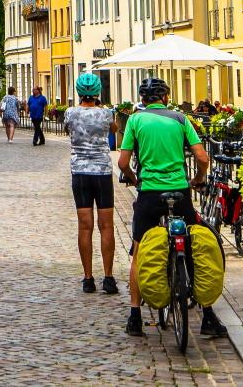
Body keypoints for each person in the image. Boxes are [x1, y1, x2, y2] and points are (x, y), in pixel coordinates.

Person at [118, 77, 224, 339]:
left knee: (139, 250)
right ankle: (208, 314)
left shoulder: (135, 120)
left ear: (143, 100)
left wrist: (133, 178)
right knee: (196, 243)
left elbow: (122, 162)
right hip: (180, 190)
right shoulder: (180, 119)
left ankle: (134, 317)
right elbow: (202, 157)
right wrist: (198, 178)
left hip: (150, 193)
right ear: (165, 97)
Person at [64, 73, 119, 295]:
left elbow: (69, 129)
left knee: (84, 226)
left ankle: (88, 278)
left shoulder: (71, 113)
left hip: (80, 173)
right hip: (102, 173)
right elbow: (114, 130)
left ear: (78, 92)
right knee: (106, 226)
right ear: (97, 92)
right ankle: (108, 276)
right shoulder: (106, 113)